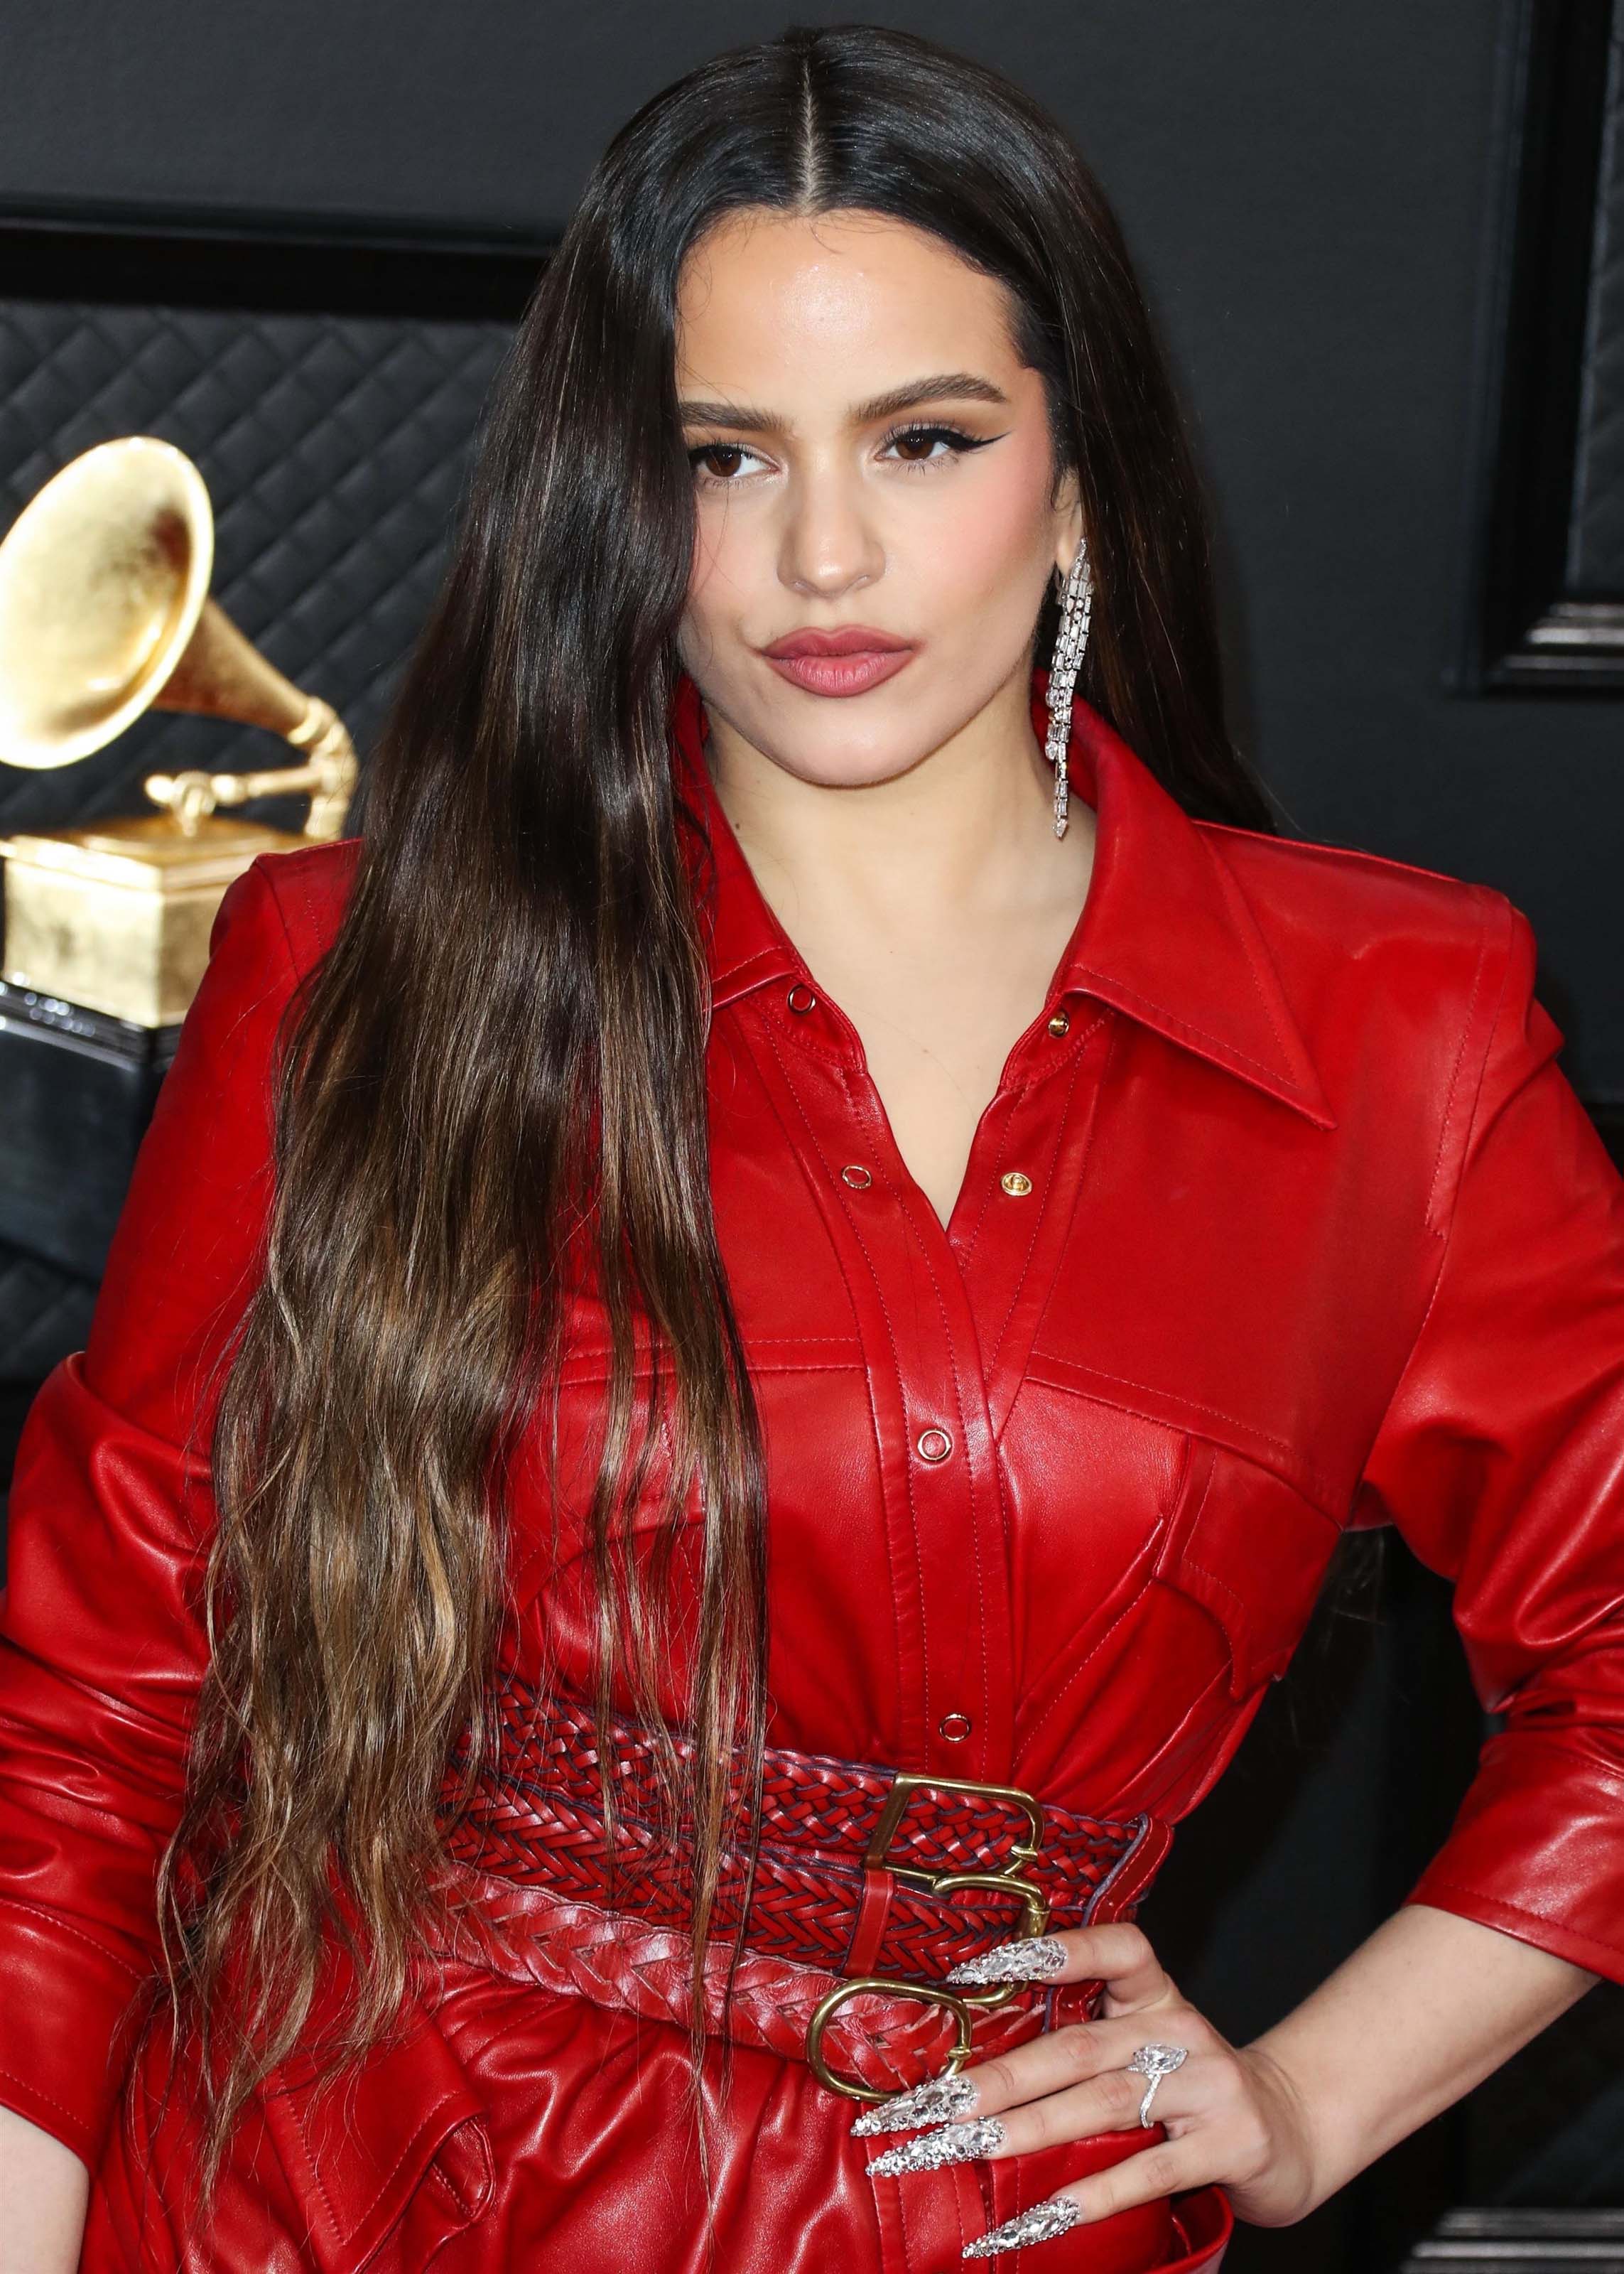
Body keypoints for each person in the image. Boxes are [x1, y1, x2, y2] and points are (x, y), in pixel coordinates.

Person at [3, 22, 1621, 2272]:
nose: (820, 556)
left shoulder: (1395, 1034)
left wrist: (1309, 2104)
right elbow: (82, 1727)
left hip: (986, 2207)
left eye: (926, 440)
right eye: (721, 457)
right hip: (344, 2184)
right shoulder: (354, 968)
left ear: (1075, 482)